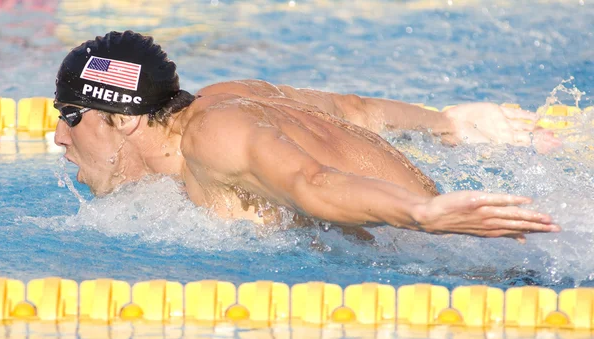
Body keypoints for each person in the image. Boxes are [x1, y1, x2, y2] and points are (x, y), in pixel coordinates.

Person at [53, 31, 561, 242]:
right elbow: (350, 109)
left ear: (123, 119)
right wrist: (446, 125)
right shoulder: (227, 96)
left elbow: (311, 182)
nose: (58, 136)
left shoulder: (212, 137)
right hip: (471, 232)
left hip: (464, 261)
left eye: (72, 115)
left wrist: (421, 214)